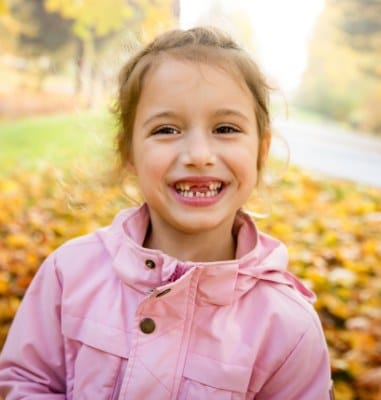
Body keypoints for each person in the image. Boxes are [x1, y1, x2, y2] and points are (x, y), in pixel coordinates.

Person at [0, 26, 333, 399]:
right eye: (166, 129)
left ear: (261, 150)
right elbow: (25, 382)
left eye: (225, 128)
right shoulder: (70, 273)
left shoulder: (287, 326)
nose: (198, 154)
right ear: (128, 152)